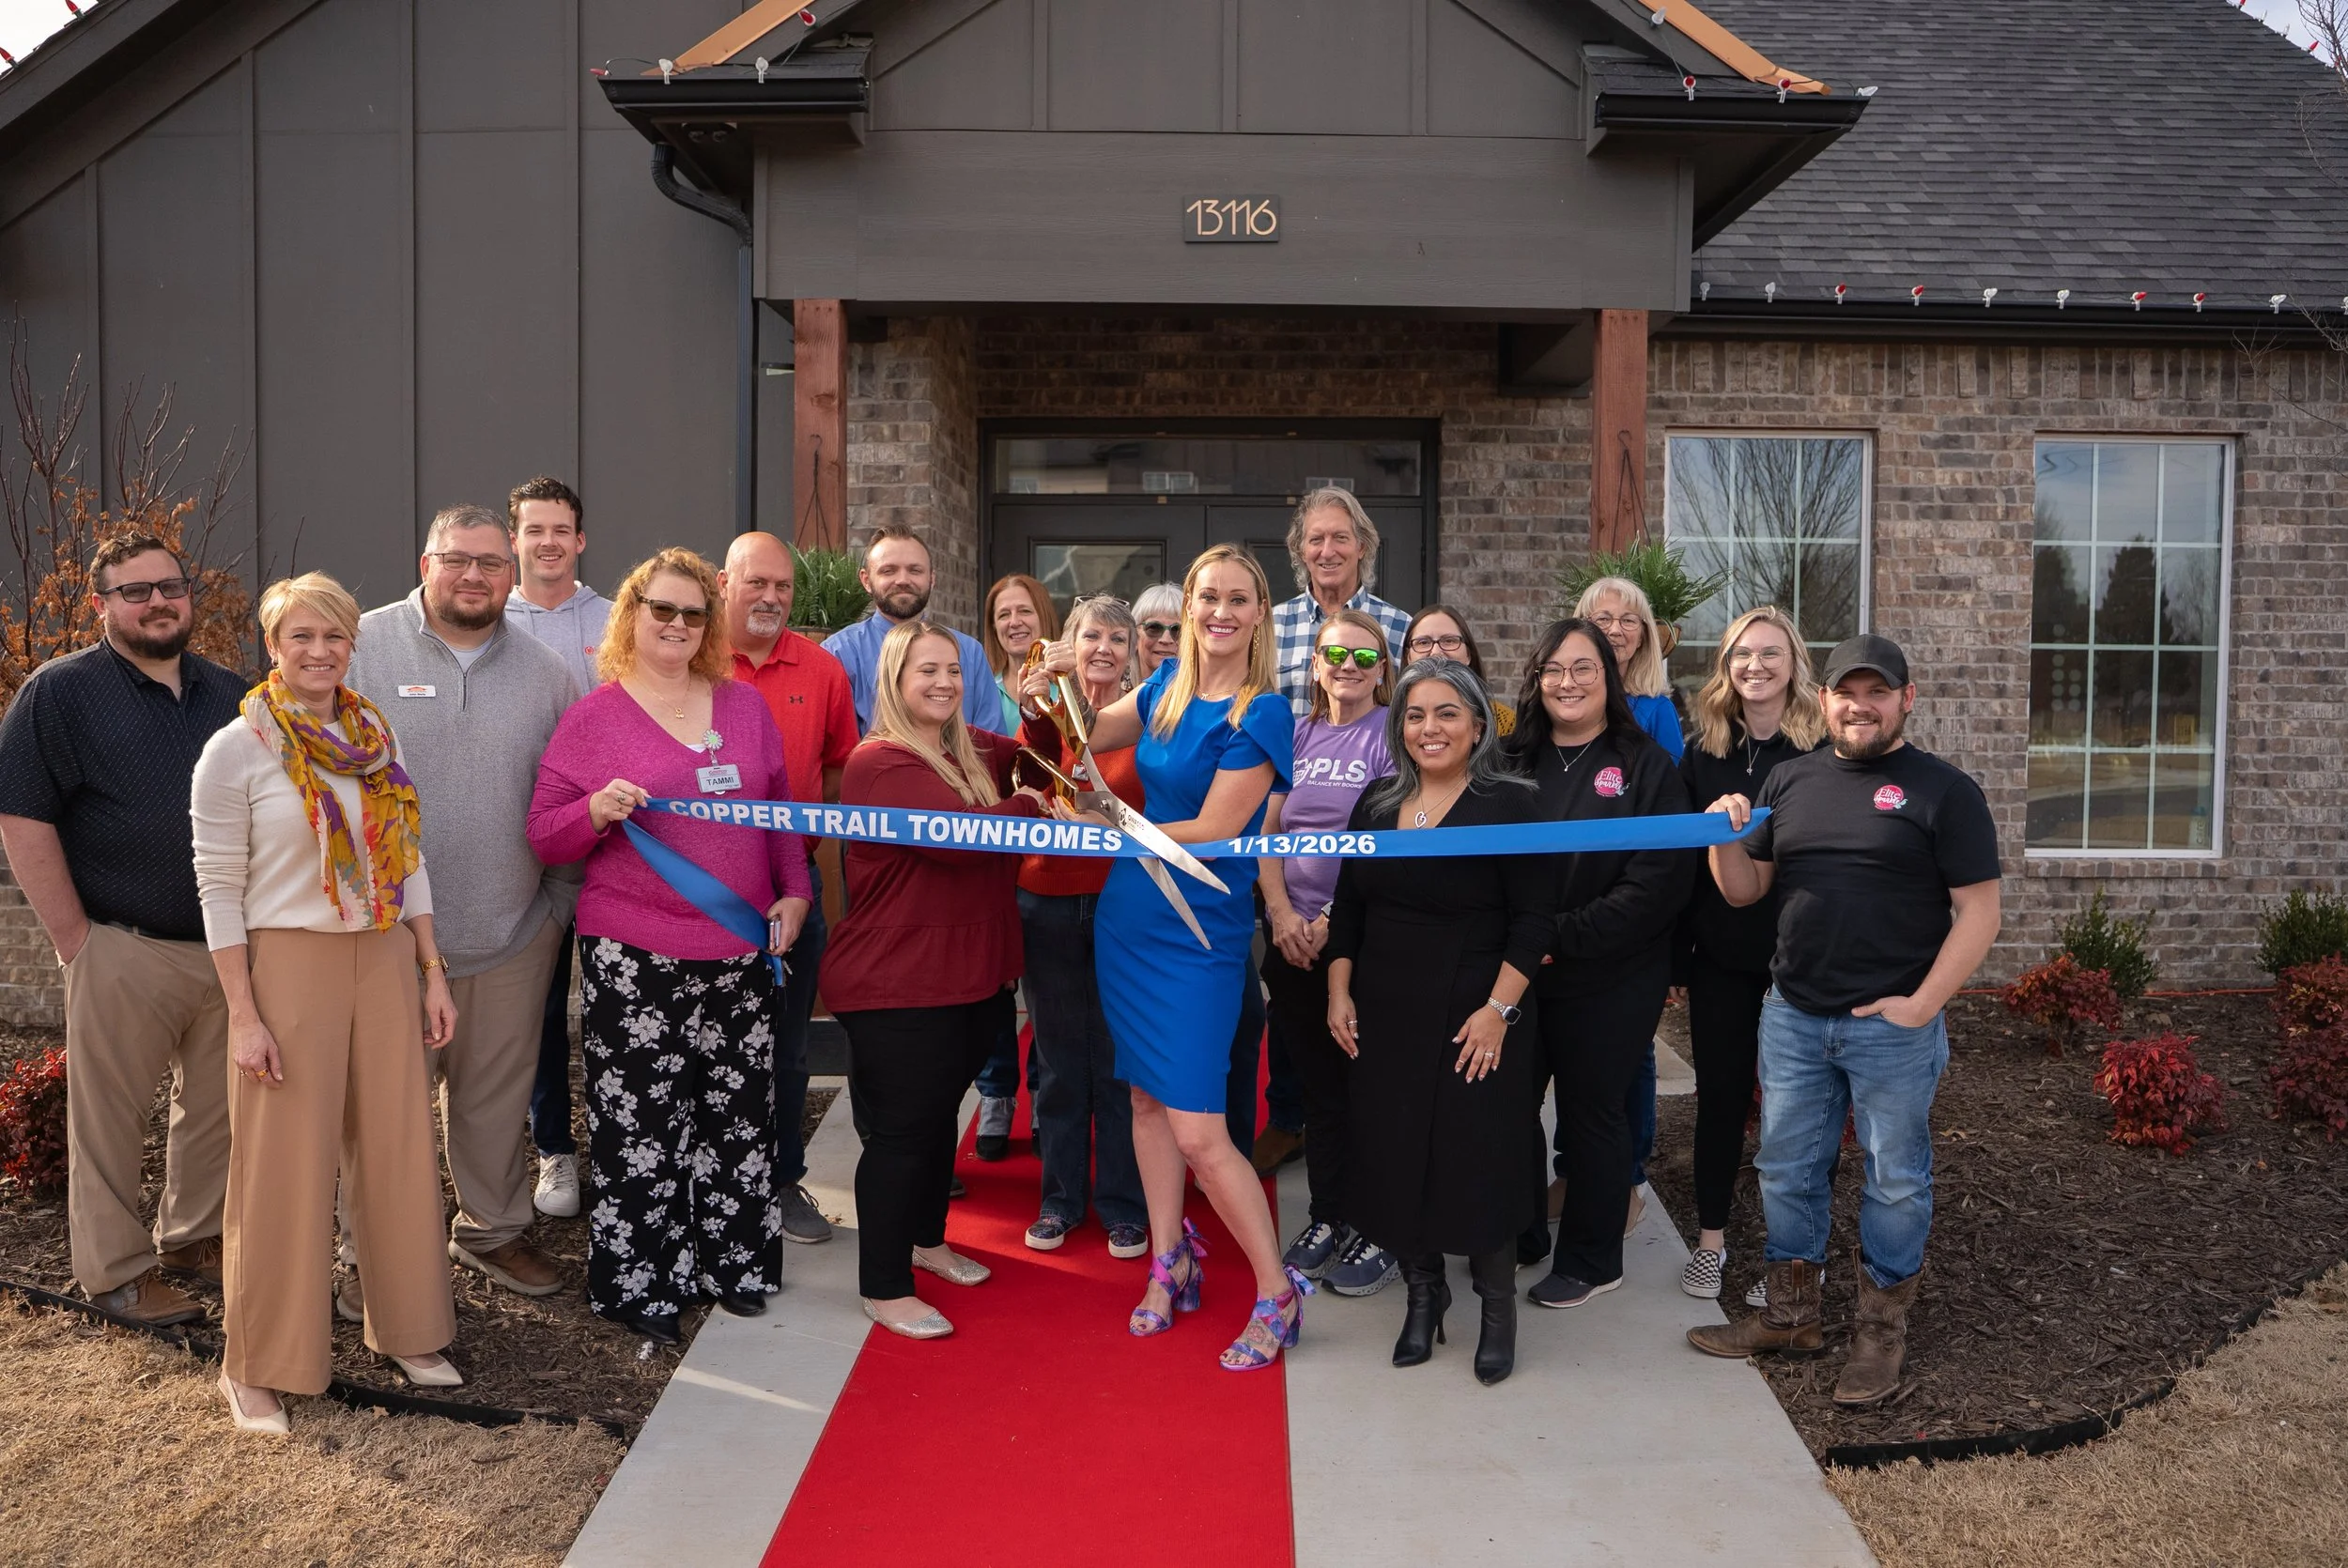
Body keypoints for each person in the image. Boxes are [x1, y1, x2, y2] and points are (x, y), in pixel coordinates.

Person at [1687, 634, 2001, 1407]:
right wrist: (1720, 836)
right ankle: (1792, 1318)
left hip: (1890, 1025)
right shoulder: (1791, 782)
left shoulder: (1944, 792)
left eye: (1878, 692)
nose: (1860, 705)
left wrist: (1922, 1005)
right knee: (1786, 1168)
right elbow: (1742, 892)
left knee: (1895, 1181)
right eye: (1846, 692)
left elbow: (1980, 912)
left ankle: (1878, 1333)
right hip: (1793, 1016)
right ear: (1822, 699)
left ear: (1906, 699)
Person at [191, 573, 461, 1435]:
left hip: (383, 955)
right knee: (282, 1169)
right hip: (288, 965)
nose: (318, 652)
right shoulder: (236, 750)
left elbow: (406, 858)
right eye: (300, 637)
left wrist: (431, 967)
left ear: (353, 645)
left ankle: (409, 1329)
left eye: (333, 637)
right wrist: (243, 1013)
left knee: (398, 1149)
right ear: (272, 646)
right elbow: (218, 889)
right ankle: (259, 1364)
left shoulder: (374, 737)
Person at [527, 549, 811, 1344]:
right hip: (636, 954)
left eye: (693, 614)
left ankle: (733, 1265)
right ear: (631, 613)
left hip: (741, 947)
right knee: (642, 1123)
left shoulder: (745, 707)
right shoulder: (594, 718)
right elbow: (545, 837)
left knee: (736, 1117)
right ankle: (641, 1280)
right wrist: (595, 811)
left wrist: (796, 892)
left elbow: (779, 811)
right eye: (663, 610)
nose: (679, 626)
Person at [1034, 543, 1303, 1371]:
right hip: (1128, 917)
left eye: (1237, 598)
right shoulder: (1163, 689)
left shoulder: (1262, 711)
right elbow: (1081, 725)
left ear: (1259, 615)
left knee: (1198, 1128)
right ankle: (1169, 1259)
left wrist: (1103, 827)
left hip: (1197, 929)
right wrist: (1049, 680)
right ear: (1187, 608)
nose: (1219, 610)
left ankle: (1276, 1290)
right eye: (1206, 595)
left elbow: (1220, 830)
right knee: (1146, 1104)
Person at [0, 532, 243, 1327]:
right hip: (119, 943)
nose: (156, 602)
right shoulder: (59, 694)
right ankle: (116, 1274)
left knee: (216, 1108)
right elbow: (23, 817)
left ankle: (192, 1237)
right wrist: (76, 939)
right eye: (134, 591)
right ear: (102, 603)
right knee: (108, 1119)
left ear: (188, 593)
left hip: (226, 951)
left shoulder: (235, 693)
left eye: (168, 586)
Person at [345, 504, 578, 1303]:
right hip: (385, 941)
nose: (473, 576)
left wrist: (553, 913)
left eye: (490, 563)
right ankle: (365, 1255)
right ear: (424, 561)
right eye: (457, 560)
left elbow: (569, 797)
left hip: (512, 934)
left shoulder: (549, 672)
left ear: (513, 572)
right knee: (383, 1113)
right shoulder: (361, 648)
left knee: (493, 1102)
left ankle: (493, 1231)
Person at [1325, 661, 1551, 1385]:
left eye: (1448, 713)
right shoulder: (1374, 801)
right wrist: (1338, 990)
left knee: (1477, 1157)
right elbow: (1349, 909)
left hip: (1477, 1010)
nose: (1431, 728)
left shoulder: (1510, 805)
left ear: (1478, 725)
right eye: (1417, 715)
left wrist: (1500, 1011)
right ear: (1400, 728)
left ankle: (1496, 1310)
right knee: (1395, 1156)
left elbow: (1534, 919)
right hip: (1387, 1009)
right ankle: (1425, 1298)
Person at [823, 621, 1048, 1338]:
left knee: (935, 1129)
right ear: (894, 678)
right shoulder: (882, 761)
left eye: (953, 669)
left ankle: (927, 1241)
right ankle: (884, 1285)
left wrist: (1041, 709)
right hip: (901, 984)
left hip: (972, 978)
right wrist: (1027, 809)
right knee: (901, 1136)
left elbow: (1041, 763)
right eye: (927, 671)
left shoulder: (968, 746)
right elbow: (965, 842)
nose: (945, 683)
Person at [1503, 618, 1694, 1311]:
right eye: (1554, 669)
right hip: (1520, 972)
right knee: (1508, 1106)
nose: (1568, 682)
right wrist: (1524, 941)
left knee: (1593, 1116)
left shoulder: (1644, 763)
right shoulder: (1510, 759)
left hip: (1612, 972)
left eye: (1584, 668)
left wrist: (1560, 935)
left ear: (1609, 679)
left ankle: (1591, 1258)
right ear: (1536, 679)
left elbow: (1657, 884)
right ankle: (1516, 1233)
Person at [1673, 607, 1824, 1299]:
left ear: (1794, 663)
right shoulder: (1702, 750)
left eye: (1770, 653)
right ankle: (1711, 1243)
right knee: (1722, 1101)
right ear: (1725, 667)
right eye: (1741, 654)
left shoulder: (1823, 750)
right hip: (1722, 956)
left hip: (1803, 959)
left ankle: (1788, 1258)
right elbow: (1675, 859)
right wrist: (1678, 956)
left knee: (1796, 1112)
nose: (1755, 666)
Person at [721, 531, 858, 1248]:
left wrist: (809, 866)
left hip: (790, 881)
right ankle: (709, 1182)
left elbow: (836, 774)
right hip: (702, 882)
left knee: (788, 1044)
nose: (772, 597)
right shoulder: (692, 661)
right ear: (723, 584)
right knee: (706, 1042)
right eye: (757, 584)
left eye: (783, 586)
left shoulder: (823, 669)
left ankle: (781, 1179)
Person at [1261, 608, 1397, 1297]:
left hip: (1362, 943)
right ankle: (1327, 1215)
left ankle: (1378, 1223)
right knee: (1320, 1093)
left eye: (1365, 658)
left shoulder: (1391, 738)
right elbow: (1268, 833)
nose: (1348, 666)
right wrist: (1283, 914)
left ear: (1383, 671)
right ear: (1315, 662)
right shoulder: (1297, 733)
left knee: (1369, 1089)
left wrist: (1332, 920)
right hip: (1292, 942)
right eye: (1336, 653)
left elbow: (1390, 843)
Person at [1013, 595, 1149, 1259]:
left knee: (1121, 1062)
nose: (1103, 648)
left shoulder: (1142, 716)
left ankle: (1124, 1204)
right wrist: (1036, 700)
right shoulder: (1049, 712)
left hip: (1123, 902)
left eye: (1117, 639)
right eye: (1090, 635)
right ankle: (1061, 1200)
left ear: (1132, 653)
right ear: (1067, 642)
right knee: (1060, 1059)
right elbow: (1026, 767)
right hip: (1048, 896)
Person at [501, 475, 610, 1223]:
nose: (547, 542)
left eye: (560, 529)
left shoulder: (616, 620)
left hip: (608, 845)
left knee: (611, 1004)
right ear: (516, 539)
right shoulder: (486, 620)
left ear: (580, 540)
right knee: (534, 1007)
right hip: (518, 845)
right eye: (533, 529)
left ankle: (620, 1139)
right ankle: (553, 1150)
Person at [1572, 576, 1684, 1216]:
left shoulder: (1655, 712)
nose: (1615, 629)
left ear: (1645, 636)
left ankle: (1631, 1178)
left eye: (1629, 620)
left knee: (1630, 1047)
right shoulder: (1560, 699)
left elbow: (1666, 818)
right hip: (1570, 903)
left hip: (1631, 905)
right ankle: (1574, 1172)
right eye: (1602, 617)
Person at [823, 525, 999, 734]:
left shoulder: (970, 653)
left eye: (915, 570)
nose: (903, 580)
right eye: (889, 570)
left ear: (931, 579)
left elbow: (991, 747)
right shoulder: (839, 654)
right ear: (866, 580)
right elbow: (834, 752)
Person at [1270, 487, 1411, 717]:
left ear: (1362, 547)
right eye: (1316, 540)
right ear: (1301, 551)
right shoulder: (1271, 627)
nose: (1327, 551)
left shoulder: (1401, 629)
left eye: (1340, 538)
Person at [1401, 605, 1516, 736]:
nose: (1436, 653)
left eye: (1449, 641)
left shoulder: (1505, 723)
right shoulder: (1386, 719)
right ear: (1408, 656)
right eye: (1423, 642)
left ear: (1468, 654)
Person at [981, 572, 1062, 732]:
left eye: (1025, 611)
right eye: (1004, 615)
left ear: (1044, 616)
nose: (1015, 622)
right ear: (993, 626)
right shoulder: (984, 689)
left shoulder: (1068, 686)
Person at [1132, 582, 1184, 680]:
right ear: (1134, 636)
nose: (1166, 640)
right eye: (1154, 628)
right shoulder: (1111, 691)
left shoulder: (1204, 694)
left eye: (1177, 630)